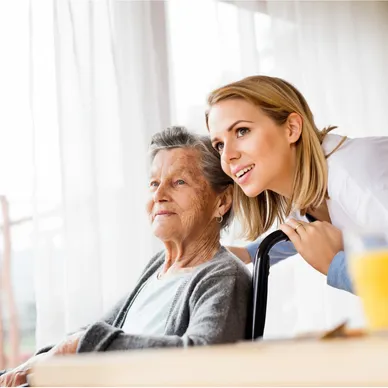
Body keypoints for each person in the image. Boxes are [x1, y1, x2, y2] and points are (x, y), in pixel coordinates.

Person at [0, 126, 251, 387]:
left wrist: (79, 346)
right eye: (154, 183)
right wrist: (29, 366)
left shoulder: (223, 277)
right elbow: (94, 333)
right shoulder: (159, 268)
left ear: (221, 202)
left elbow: (207, 357)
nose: (158, 195)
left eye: (179, 182)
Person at [206, 75, 388, 294]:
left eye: (242, 131)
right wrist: (248, 254)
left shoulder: (354, 175)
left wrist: (334, 265)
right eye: (219, 145)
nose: (227, 155)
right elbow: (302, 231)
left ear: (291, 128)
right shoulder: (310, 188)